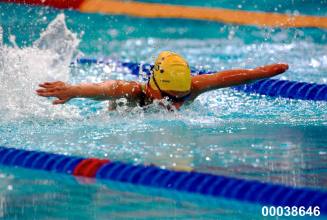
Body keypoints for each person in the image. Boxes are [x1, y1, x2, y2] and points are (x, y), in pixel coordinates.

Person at [36, 51, 289, 110]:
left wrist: (263, 73)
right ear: (152, 85)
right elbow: (104, 89)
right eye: (169, 97)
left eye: (182, 96)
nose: (176, 103)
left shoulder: (193, 87)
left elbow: (228, 78)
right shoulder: (134, 92)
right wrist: (76, 90)